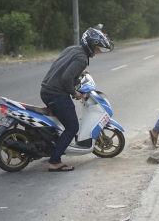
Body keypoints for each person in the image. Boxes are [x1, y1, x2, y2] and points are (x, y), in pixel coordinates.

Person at [40, 28, 111, 172]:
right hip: (56, 94)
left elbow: (61, 66)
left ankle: (52, 148)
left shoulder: (72, 49)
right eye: (97, 49)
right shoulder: (82, 59)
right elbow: (66, 77)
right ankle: (55, 162)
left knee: (63, 121)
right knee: (72, 127)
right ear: (90, 45)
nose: (97, 52)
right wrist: (75, 93)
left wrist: (79, 71)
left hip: (46, 90)